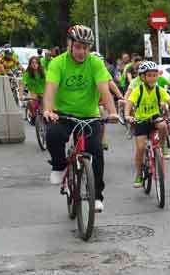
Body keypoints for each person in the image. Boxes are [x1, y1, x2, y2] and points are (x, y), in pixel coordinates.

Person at [42, 25, 118, 212]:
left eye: (86, 47)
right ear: (69, 44)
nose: (81, 51)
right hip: (63, 114)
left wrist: (112, 112)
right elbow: (51, 88)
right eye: (78, 46)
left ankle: (97, 196)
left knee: (96, 152)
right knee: (53, 134)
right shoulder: (58, 63)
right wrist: (48, 110)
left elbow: (103, 89)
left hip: (89, 116)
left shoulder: (95, 63)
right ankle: (59, 166)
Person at [123, 61, 170, 188]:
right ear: (142, 77)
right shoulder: (137, 90)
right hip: (140, 120)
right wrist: (128, 115)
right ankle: (139, 175)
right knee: (140, 148)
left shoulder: (159, 90)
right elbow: (129, 103)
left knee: (163, 125)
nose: (152, 78)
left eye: (155, 75)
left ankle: (161, 147)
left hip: (155, 117)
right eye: (149, 75)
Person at [23, 56, 47, 122]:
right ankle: (33, 116)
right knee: (31, 101)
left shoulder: (43, 72)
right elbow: (21, 85)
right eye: (32, 63)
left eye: (36, 63)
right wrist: (20, 95)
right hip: (33, 92)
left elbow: (50, 81)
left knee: (45, 109)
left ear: (39, 64)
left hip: (43, 92)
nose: (34, 64)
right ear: (30, 64)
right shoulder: (27, 74)